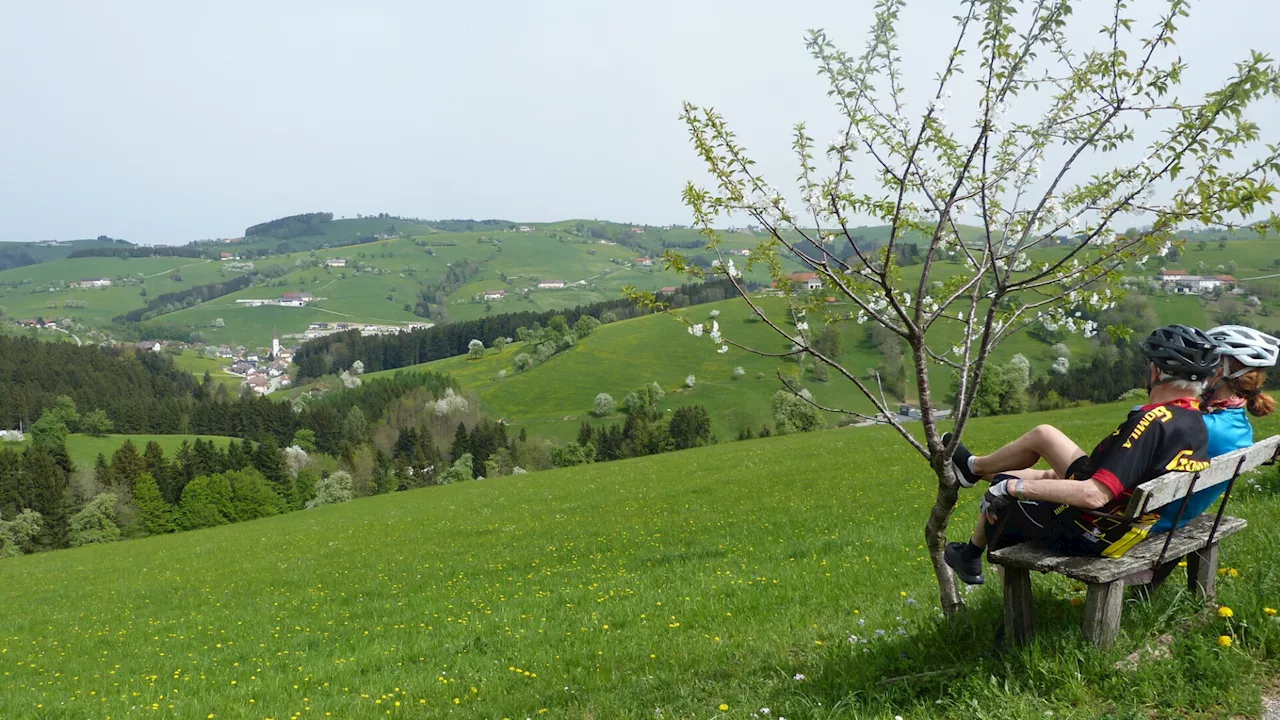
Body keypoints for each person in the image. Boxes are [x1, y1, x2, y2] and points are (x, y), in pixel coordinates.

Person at [941, 325, 1219, 585]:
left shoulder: (1151, 421)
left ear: (1157, 372)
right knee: (1045, 434)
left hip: (1096, 530)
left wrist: (1012, 487)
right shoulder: (1194, 420)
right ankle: (972, 468)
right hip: (1127, 519)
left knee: (1002, 492)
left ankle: (971, 557)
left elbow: (1094, 495)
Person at [1151, 324, 1278, 533]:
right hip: (1172, 518)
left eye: (1208, 358)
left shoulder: (1203, 426)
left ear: (1221, 370)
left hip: (1148, 525)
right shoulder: (1236, 426)